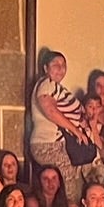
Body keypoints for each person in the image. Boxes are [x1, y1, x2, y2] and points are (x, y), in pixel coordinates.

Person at [27, 50, 88, 188]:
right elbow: (50, 111)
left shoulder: (55, 87)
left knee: (69, 182)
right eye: (55, 64)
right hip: (48, 144)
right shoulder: (47, 84)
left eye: (63, 65)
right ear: (45, 68)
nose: (60, 68)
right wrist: (76, 131)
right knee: (69, 184)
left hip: (56, 144)